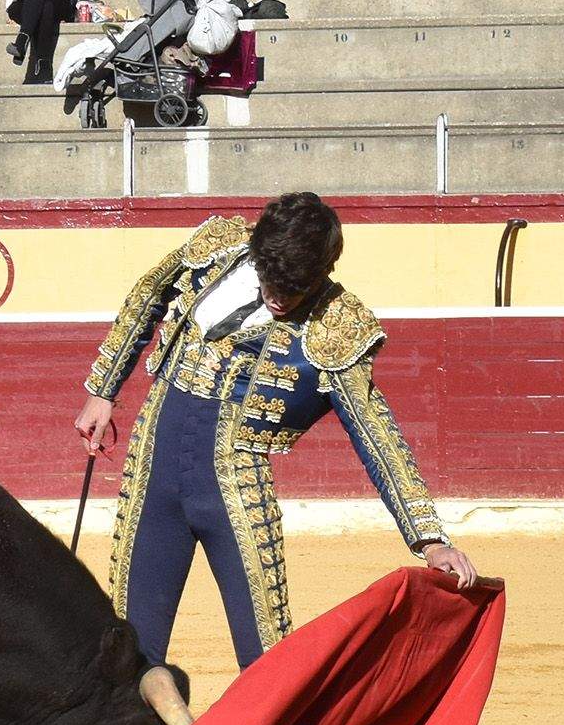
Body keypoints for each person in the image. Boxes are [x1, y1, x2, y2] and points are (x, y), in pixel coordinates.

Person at [73, 192, 478, 686]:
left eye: (296, 289)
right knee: (131, 653)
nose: (279, 297)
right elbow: (147, 296)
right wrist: (103, 390)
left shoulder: (337, 325)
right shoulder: (217, 247)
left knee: (267, 659)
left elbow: (376, 432)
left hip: (234, 485)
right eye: (272, 280)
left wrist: (430, 539)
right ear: (259, 252)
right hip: (153, 463)